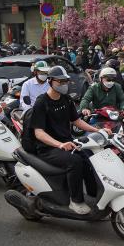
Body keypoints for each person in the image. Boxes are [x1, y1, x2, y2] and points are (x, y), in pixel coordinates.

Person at [29, 66, 100, 214]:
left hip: (67, 143)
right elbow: (39, 133)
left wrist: (98, 130)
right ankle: (76, 201)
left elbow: (76, 121)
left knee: (89, 158)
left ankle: (95, 196)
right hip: (48, 148)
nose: (64, 84)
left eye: (66, 81)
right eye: (60, 81)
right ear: (50, 81)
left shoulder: (66, 99)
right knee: (75, 162)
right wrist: (60, 144)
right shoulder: (42, 102)